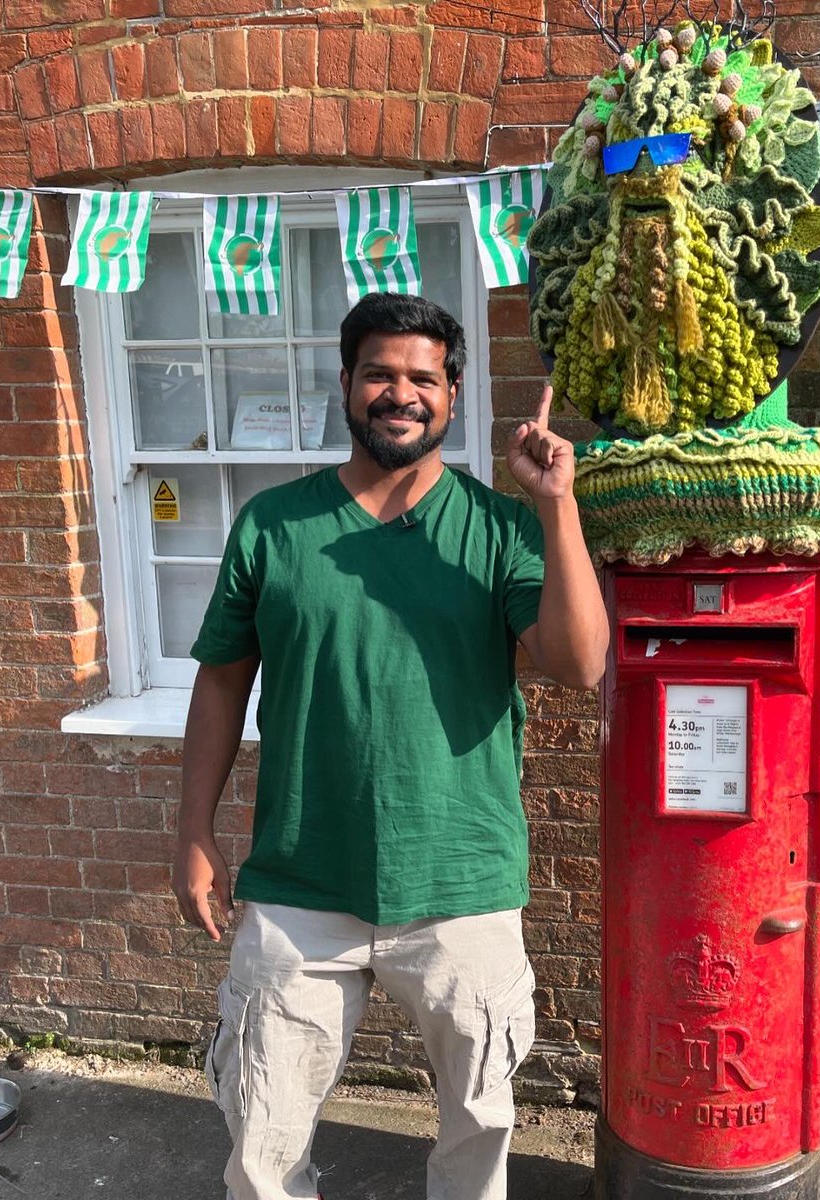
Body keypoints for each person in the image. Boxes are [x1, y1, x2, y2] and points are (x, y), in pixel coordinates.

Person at [171, 291, 609, 1200]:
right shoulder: (272, 525)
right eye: (379, 372)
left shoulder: (499, 526)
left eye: (422, 376)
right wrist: (193, 831)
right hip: (301, 884)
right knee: (260, 1140)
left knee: (477, 1132)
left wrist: (557, 505)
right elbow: (221, 678)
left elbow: (579, 661)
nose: (399, 392)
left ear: (451, 395)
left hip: (462, 883)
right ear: (346, 384)